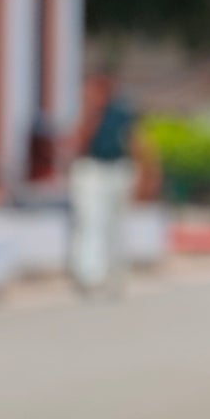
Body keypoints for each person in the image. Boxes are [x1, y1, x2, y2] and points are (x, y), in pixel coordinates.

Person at [67, 70, 139, 294]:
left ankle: (113, 273)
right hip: (92, 171)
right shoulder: (86, 112)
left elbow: (135, 141)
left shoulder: (121, 113)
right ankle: (89, 274)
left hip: (117, 170)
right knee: (91, 222)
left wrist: (144, 175)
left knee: (114, 225)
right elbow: (79, 142)